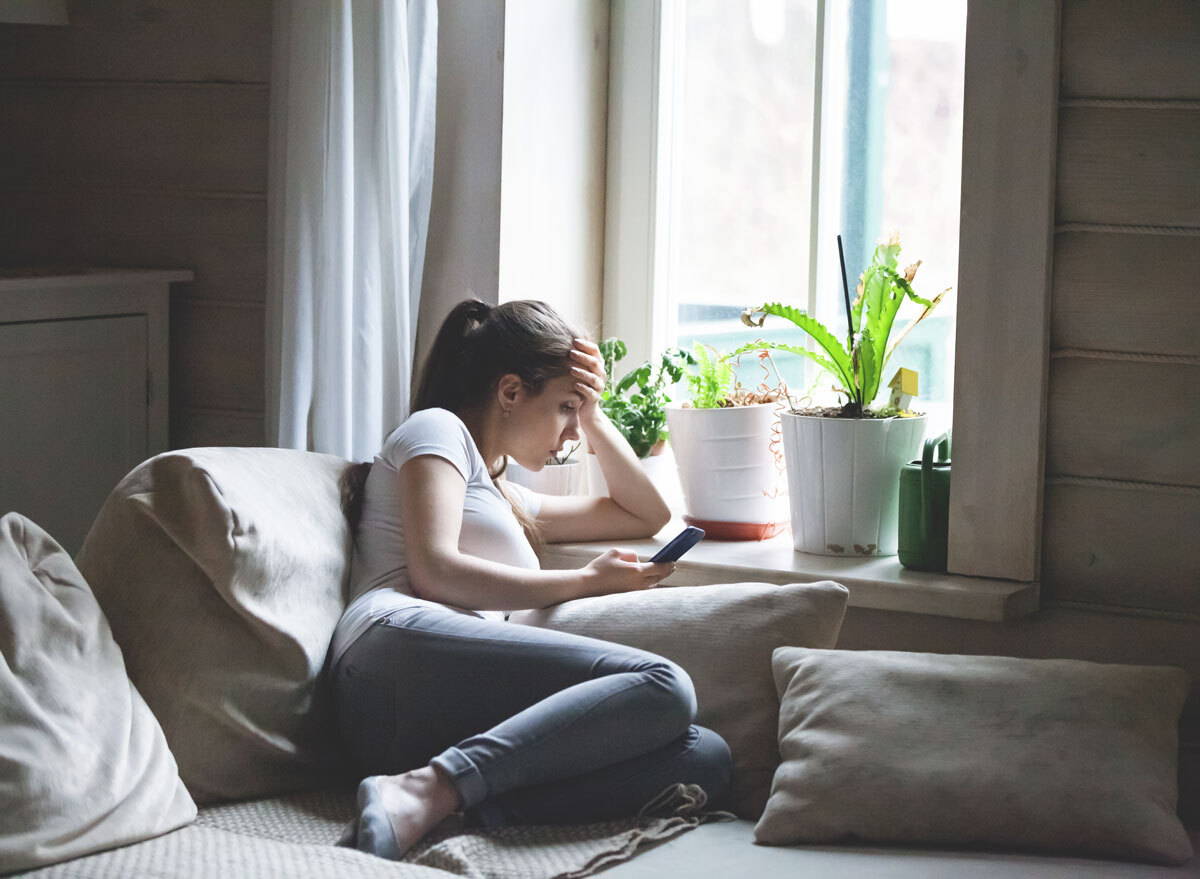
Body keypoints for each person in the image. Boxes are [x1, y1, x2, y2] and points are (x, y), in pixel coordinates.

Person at [330, 298, 732, 860]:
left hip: (441, 701)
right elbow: (435, 570)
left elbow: (647, 514)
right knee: (664, 684)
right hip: (390, 654)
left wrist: (593, 411)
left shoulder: (505, 495)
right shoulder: (436, 430)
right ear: (511, 392)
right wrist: (585, 582)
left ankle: (446, 802)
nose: (571, 435)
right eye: (564, 408)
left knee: (703, 757)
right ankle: (427, 789)